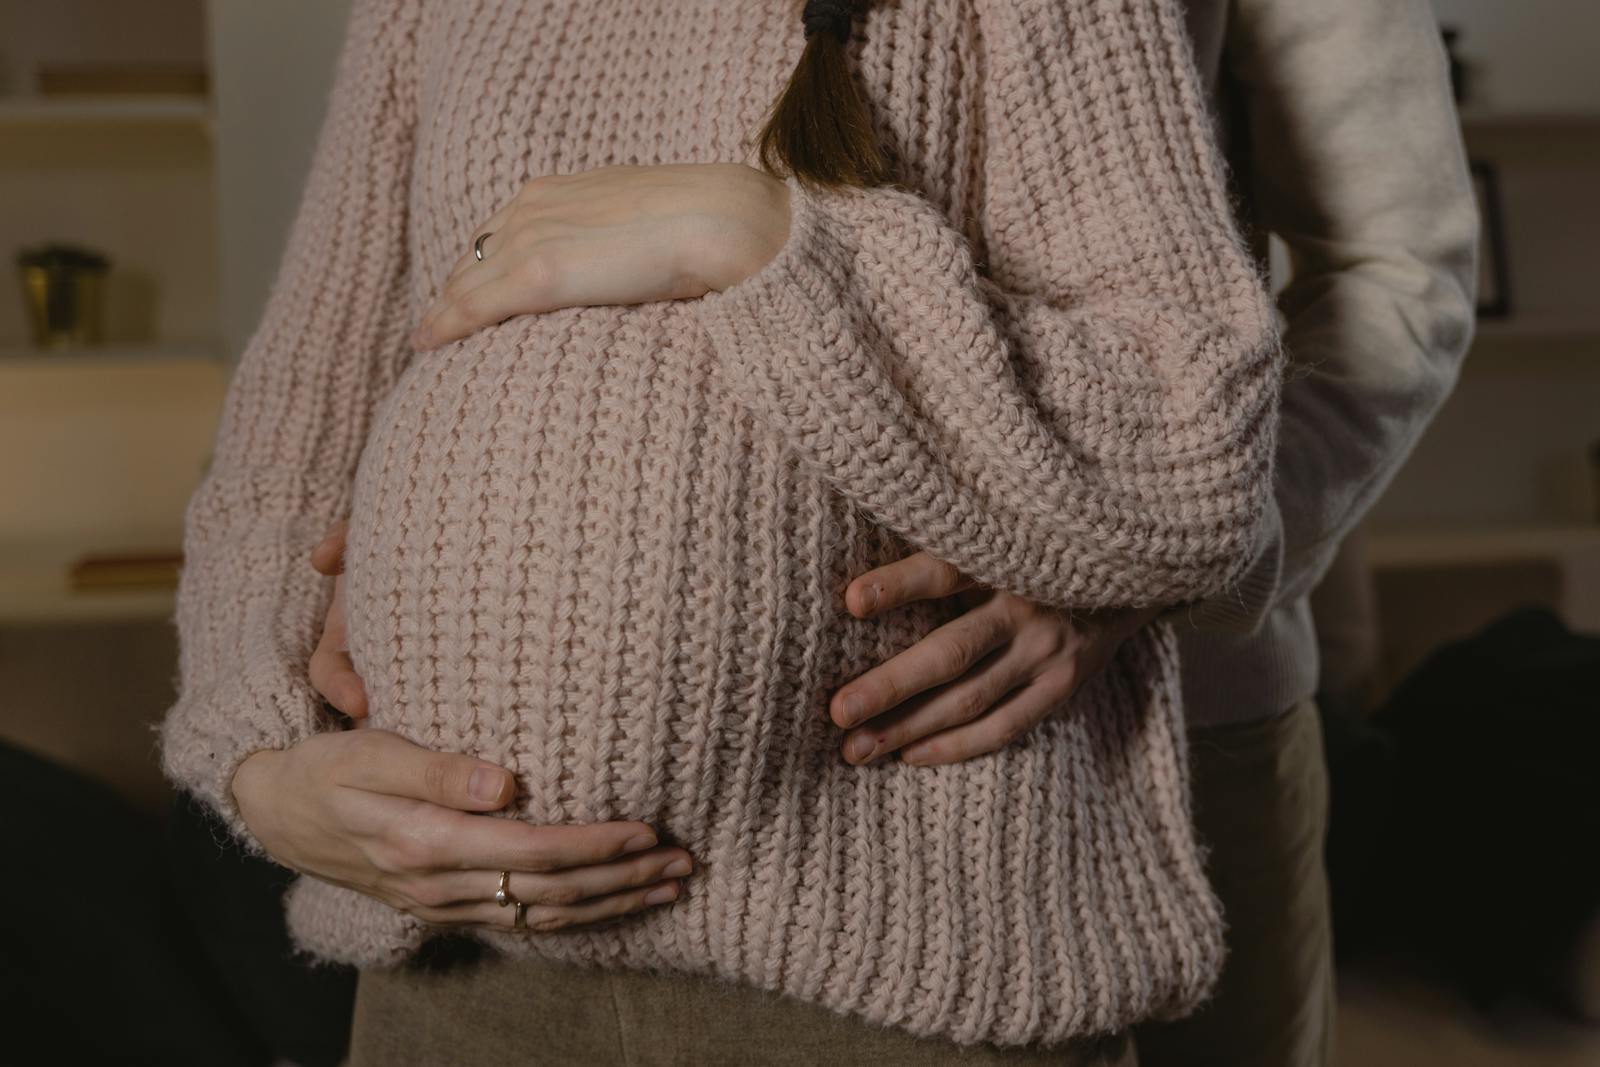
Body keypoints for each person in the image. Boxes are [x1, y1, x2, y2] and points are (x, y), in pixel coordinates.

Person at [159, 0, 1289, 1062]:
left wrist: (766, 239)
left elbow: (1192, 452)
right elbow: (284, 449)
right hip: (453, 973)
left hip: (904, 963)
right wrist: (257, 760)